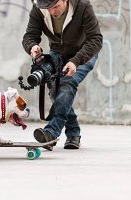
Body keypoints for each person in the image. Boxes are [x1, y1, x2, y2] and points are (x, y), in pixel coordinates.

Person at [22, 0, 103, 150]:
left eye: (55, 6)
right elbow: (30, 36)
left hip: (84, 53)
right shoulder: (38, 9)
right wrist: (32, 47)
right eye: (47, 8)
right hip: (58, 53)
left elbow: (96, 39)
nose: (52, 11)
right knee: (55, 90)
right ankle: (73, 133)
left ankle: (52, 132)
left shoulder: (83, 7)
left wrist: (76, 61)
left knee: (67, 82)